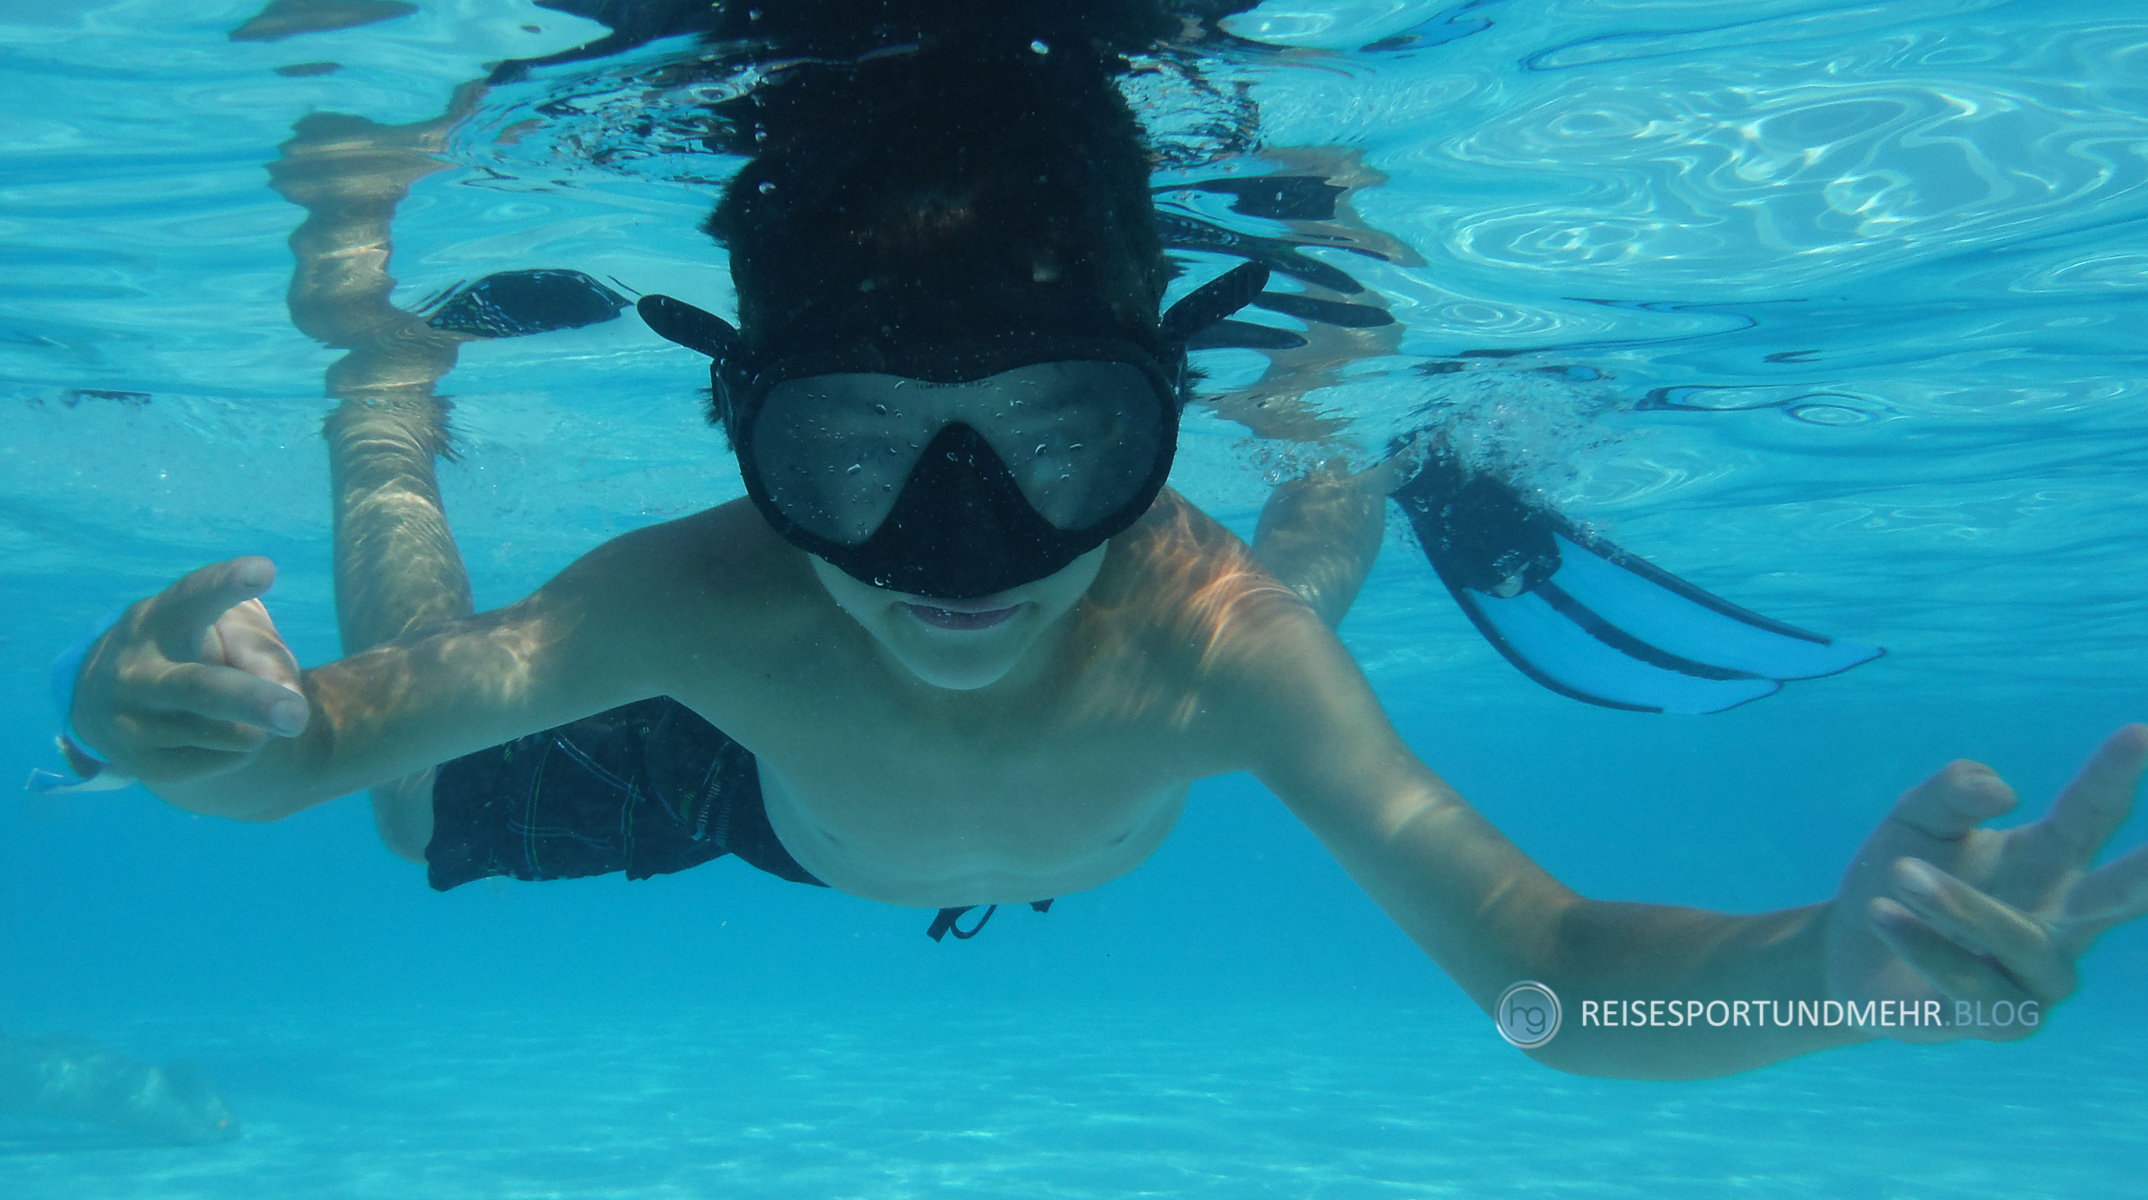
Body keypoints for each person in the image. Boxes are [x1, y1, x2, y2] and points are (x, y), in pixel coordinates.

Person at [59, 0, 2148, 1079]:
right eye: (858, 446)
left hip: (1146, 691)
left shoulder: (1204, 629)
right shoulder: (711, 602)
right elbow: (316, 748)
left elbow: (1556, 992)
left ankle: (1341, 429)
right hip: (767, 777)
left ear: (1153, 420)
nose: (961, 539)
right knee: (418, 816)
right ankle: (388, 404)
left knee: (1267, 617)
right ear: (748, 431)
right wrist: (174, 712)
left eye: (1064, 436)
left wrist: (1825, 983)